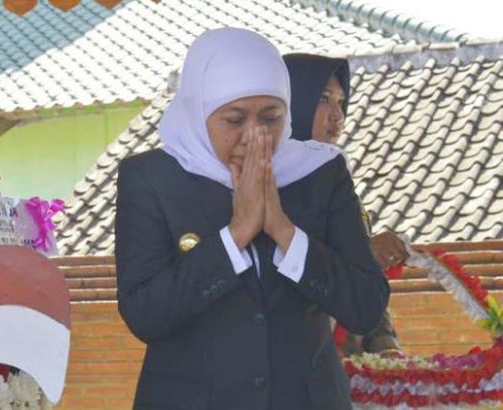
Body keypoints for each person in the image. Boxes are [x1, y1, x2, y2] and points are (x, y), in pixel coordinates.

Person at [115, 28, 389, 410]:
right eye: (234, 119)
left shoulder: (320, 174)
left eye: (270, 117)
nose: (255, 135)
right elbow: (145, 314)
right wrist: (236, 235)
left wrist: (284, 231)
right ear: (200, 112)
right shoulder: (153, 179)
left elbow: (365, 306)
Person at [281, 53, 405, 356]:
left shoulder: (338, 187)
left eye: (341, 102)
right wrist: (361, 256)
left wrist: (386, 348)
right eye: (323, 99)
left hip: (343, 378)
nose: (337, 115)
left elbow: (364, 282)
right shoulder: (262, 186)